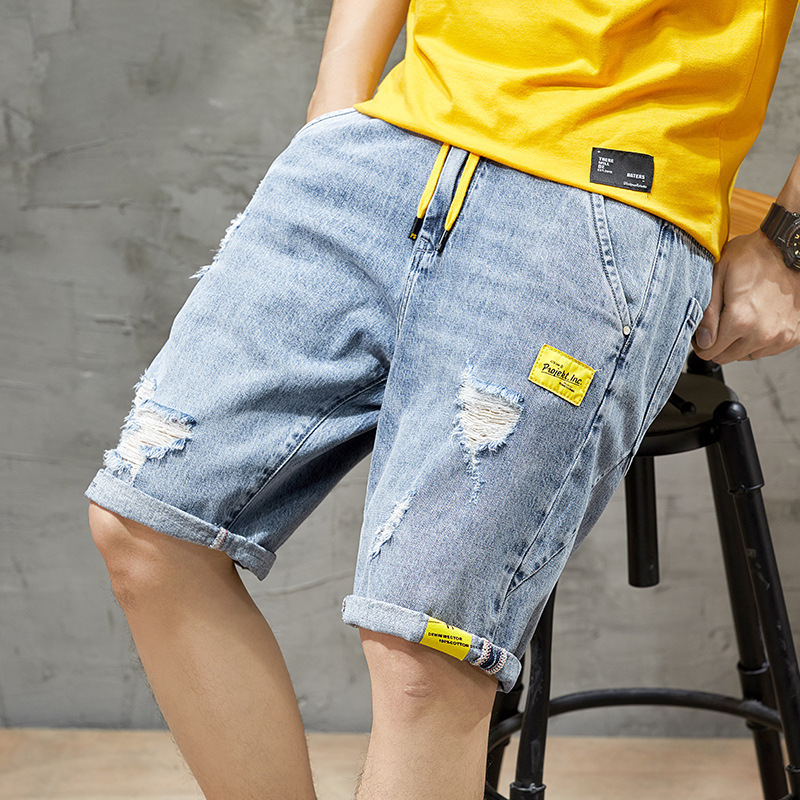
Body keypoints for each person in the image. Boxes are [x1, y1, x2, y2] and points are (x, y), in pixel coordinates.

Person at [86, 0, 800, 798]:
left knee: (425, 653)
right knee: (147, 528)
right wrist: (334, 110)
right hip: (386, 146)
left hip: (599, 193)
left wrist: (791, 246)